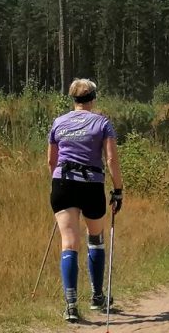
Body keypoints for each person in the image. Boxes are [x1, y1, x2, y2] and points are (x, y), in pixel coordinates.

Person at [48, 78, 123, 322]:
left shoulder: (58, 122)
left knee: (69, 243)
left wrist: (56, 184)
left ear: (73, 98)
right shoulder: (102, 123)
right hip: (91, 184)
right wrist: (118, 189)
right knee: (95, 238)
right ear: (93, 98)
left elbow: (51, 161)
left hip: (63, 183)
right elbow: (111, 159)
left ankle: (71, 305)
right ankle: (97, 296)